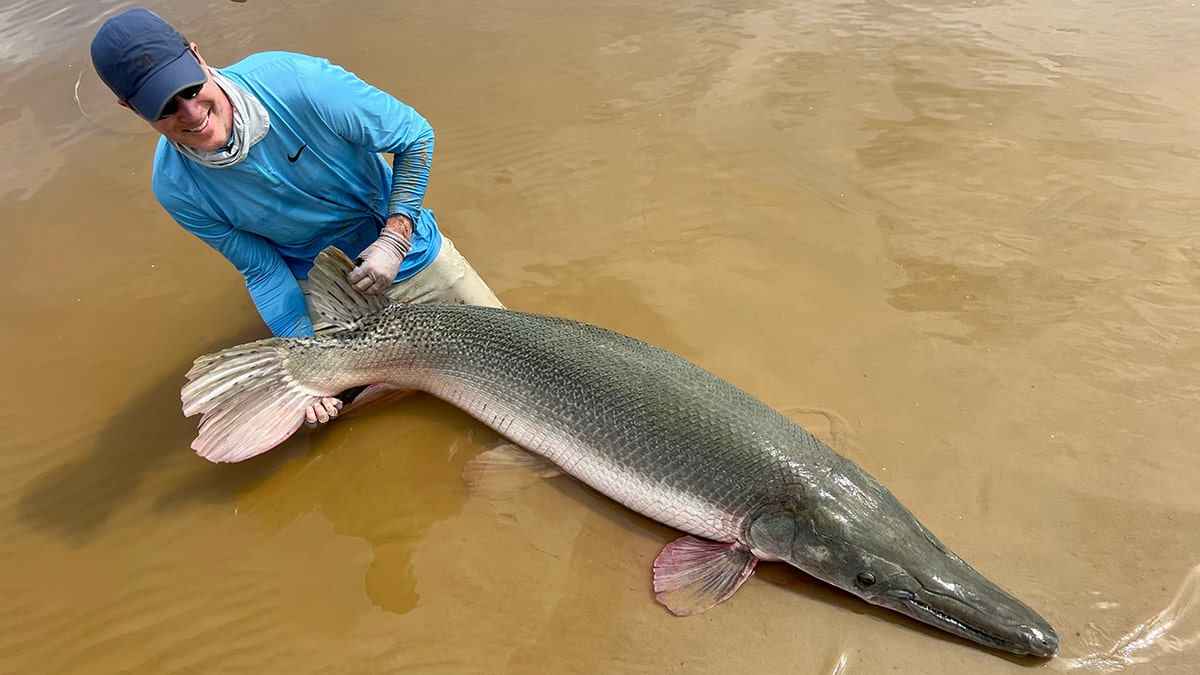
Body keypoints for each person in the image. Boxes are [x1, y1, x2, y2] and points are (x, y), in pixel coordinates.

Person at [90, 8, 503, 427]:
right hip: (328, 289)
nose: (193, 114)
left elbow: (414, 137)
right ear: (130, 107)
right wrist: (301, 357)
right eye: (165, 107)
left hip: (410, 252)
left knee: (511, 361)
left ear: (197, 56)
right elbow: (262, 268)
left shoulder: (299, 83)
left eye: (191, 89)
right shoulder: (176, 187)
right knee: (322, 422)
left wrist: (395, 236)